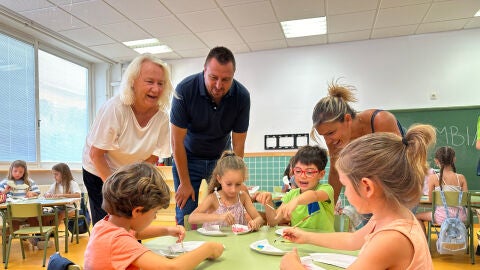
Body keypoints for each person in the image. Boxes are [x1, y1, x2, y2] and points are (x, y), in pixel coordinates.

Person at [279, 125, 436, 270]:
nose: (345, 193)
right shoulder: (388, 216)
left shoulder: (391, 238)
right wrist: (306, 236)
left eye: (346, 185)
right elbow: (352, 240)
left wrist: (292, 267)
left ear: (367, 187)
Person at [82, 53, 173, 225]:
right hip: (98, 169)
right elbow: (96, 154)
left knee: (133, 222)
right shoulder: (116, 109)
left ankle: (132, 250)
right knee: (110, 224)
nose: (156, 88)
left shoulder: (161, 118)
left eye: (160, 83)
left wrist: (133, 186)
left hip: (127, 175)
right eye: (149, 81)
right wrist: (117, 191)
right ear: (133, 81)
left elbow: (153, 157)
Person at [84, 162, 224, 270]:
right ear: (137, 211)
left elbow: (136, 233)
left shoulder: (106, 225)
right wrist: (209, 248)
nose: (155, 218)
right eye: (154, 212)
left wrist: (167, 230)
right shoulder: (118, 241)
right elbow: (172, 267)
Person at [170, 46, 251, 225]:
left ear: (233, 76)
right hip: (188, 158)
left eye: (226, 80)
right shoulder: (185, 89)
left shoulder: (242, 96)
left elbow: (238, 144)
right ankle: (185, 250)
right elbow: (176, 142)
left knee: (225, 208)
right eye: (213, 77)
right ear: (204, 71)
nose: (218, 85)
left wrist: (236, 177)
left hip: (220, 158)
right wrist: (184, 182)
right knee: (186, 214)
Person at [311, 80, 404, 204]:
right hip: (372, 190)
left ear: (347, 119)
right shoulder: (335, 141)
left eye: (330, 133)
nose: (328, 141)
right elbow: (335, 172)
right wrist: (329, 208)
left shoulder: (380, 120)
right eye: (323, 135)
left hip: (401, 182)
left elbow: (398, 165)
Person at [256, 146, 334, 231]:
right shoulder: (292, 194)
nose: (303, 176)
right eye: (298, 171)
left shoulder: (326, 189)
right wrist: (268, 202)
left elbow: (314, 195)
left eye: (309, 172)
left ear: (321, 174)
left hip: (323, 242)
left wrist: (296, 201)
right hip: (299, 242)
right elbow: (273, 221)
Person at [188, 151, 264, 230]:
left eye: (238, 184)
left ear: (243, 180)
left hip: (237, 241)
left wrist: (255, 222)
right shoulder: (213, 198)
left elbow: (259, 218)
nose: (233, 190)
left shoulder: (243, 197)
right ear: (219, 179)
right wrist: (219, 217)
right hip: (214, 241)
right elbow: (192, 218)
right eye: (228, 184)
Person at [415, 146, 468, 235]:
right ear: (454, 159)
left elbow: (431, 200)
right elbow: (465, 200)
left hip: (441, 217)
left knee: (417, 217)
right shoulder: (461, 178)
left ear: (436, 161)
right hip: (460, 217)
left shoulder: (433, 178)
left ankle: (424, 243)